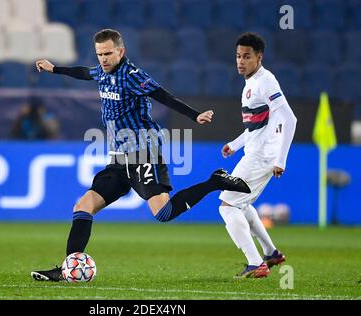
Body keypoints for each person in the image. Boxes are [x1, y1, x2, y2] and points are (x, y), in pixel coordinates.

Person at [31, 29, 250, 281]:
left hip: (144, 153)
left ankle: (215, 180)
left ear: (121, 51)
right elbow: (84, 72)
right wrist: (54, 68)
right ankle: (68, 266)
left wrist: (194, 115)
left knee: (163, 213)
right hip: (118, 159)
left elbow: (163, 95)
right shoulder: (102, 71)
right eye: (99, 54)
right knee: (83, 206)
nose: (103, 59)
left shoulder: (133, 76)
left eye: (108, 53)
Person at [218, 32, 297, 278]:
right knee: (242, 204)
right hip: (255, 153)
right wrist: (235, 144)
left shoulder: (265, 83)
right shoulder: (251, 83)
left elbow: (289, 118)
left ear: (259, 57)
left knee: (227, 206)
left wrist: (280, 160)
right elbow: (257, 126)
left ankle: (255, 263)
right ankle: (270, 253)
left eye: (247, 57)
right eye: (238, 56)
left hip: (262, 157)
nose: (241, 61)